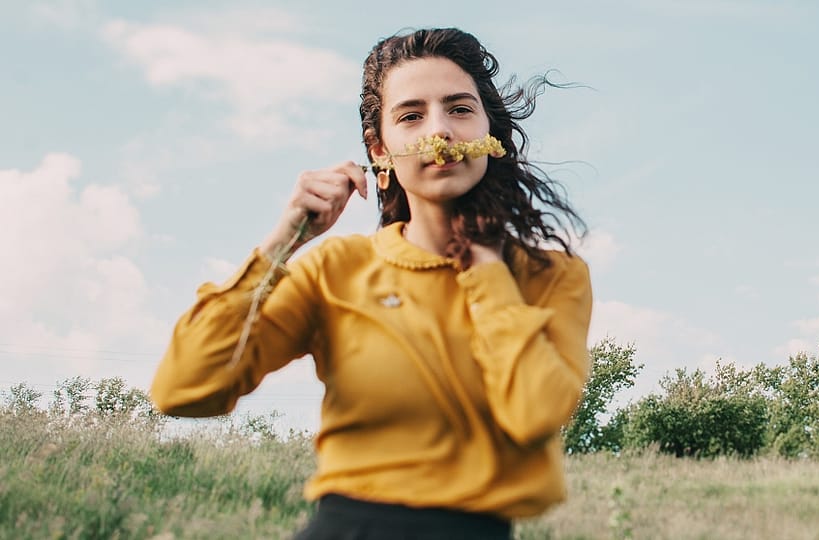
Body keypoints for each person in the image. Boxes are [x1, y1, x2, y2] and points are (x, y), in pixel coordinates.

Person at [150, 27, 593, 540]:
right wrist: (283, 242)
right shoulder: (336, 269)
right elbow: (184, 389)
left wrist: (488, 269)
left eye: (460, 109)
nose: (440, 131)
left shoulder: (551, 276)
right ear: (379, 149)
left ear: (489, 132)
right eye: (411, 116)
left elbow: (536, 413)